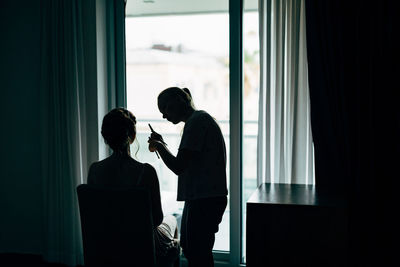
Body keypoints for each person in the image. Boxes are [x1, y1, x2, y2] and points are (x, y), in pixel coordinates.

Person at [87, 107, 179, 266]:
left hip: (107, 243)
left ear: (105, 137)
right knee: (173, 220)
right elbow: (156, 219)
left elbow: (93, 214)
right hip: (139, 243)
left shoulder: (94, 170)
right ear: (132, 136)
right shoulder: (146, 172)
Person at [148, 87, 228, 267]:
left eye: (165, 108)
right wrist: (162, 144)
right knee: (195, 250)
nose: (164, 116)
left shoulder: (196, 123)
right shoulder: (199, 120)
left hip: (204, 199)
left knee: (197, 252)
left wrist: (159, 146)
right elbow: (189, 161)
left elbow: (179, 166)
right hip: (204, 197)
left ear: (179, 100)